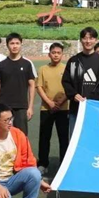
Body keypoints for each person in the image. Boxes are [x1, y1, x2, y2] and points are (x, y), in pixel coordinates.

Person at [62, 27, 99, 139]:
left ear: (96, 40)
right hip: (76, 109)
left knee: (95, 140)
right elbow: (66, 81)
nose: (88, 41)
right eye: (85, 38)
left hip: (95, 109)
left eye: (91, 38)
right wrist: (74, 95)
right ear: (81, 40)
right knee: (75, 140)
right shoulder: (73, 60)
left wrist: (89, 99)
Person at [0, 33, 37, 136]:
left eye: (17, 43)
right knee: (4, 135)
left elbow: (32, 85)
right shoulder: (1, 65)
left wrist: (30, 107)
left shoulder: (27, 64)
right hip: (4, 106)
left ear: (21, 44)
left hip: (21, 106)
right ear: (7, 45)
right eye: (12, 43)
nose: (15, 46)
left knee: (21, 136)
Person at [36, 42, 68, 175]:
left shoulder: (66, 68)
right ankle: (43, 164)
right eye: (53, 53)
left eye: (58, 53)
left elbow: (70, 87)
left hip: (64, 108)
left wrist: (61, 101)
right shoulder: (43, 69)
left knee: (63, 137)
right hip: (46, 108)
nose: (56, 55)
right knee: (44, 137)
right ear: (49, 54)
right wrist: (49, 102)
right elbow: (39, 87)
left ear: (62, 54)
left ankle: (64, 164)